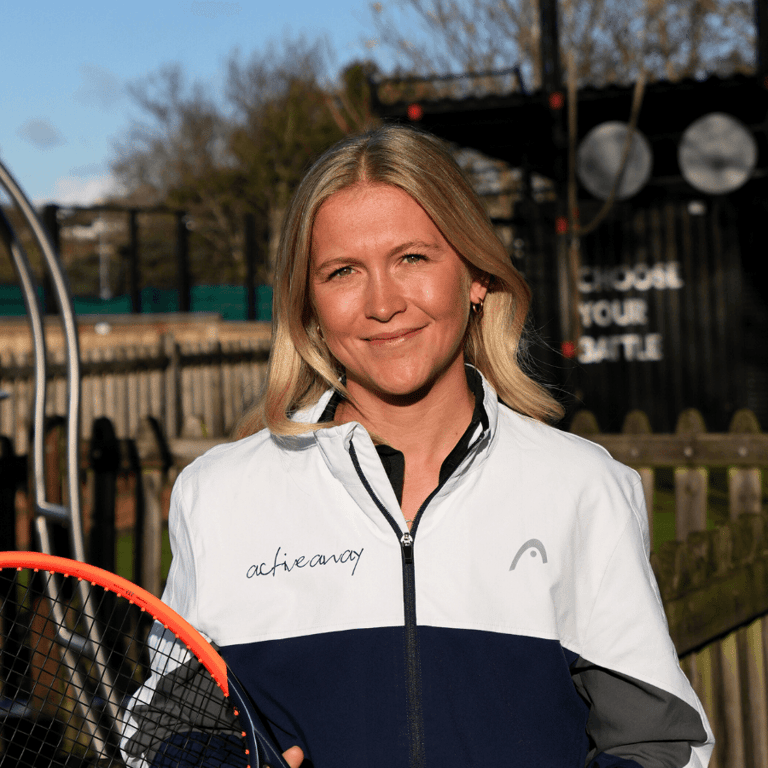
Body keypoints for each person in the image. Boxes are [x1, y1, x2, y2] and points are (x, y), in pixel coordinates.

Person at [130, 124, 714, 768]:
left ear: (475, 276)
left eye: (413, 258)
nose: (383, 303)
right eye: (342, 271)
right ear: (308, 304)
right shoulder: (220, 495)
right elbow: (164, 734)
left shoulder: (583, 486)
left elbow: (658, 741)